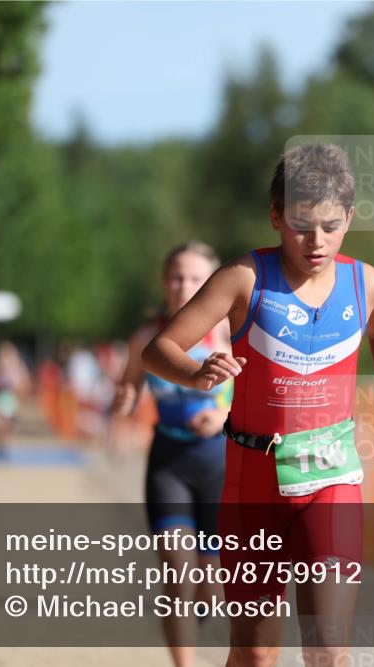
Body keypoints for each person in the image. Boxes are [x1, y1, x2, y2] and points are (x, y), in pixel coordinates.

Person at [141, 143, 374, 667]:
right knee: (255, 653)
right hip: (253, 483)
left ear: (350, 219)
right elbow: (158, 350)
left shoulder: (367, 284)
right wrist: (195, 373)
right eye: (301, 225)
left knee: (328, 648)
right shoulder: (244, 279)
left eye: (332, 227)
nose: (317, 242)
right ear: (275, 217)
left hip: (331, 478)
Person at [114, 242, 232, 667]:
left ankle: (197, 610)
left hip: (221, 464)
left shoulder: (230, 333)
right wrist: (124, 399)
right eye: (177, 276)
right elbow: (129, 384)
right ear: (165, 282)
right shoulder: (146, 339)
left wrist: (224, 416)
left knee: (212, 587)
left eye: (196, 278)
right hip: (168, 463)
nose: (185, 285)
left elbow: (262, 395)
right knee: (178, 578)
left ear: (213, 283)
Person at [0, 341, 31, 460]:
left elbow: (25, 383)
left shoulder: (18, 367)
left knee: (6, 426)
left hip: (11, 399)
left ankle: (4, 448)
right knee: (0, 425)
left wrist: (21, 393)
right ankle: (0, 447)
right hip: (0, 398)